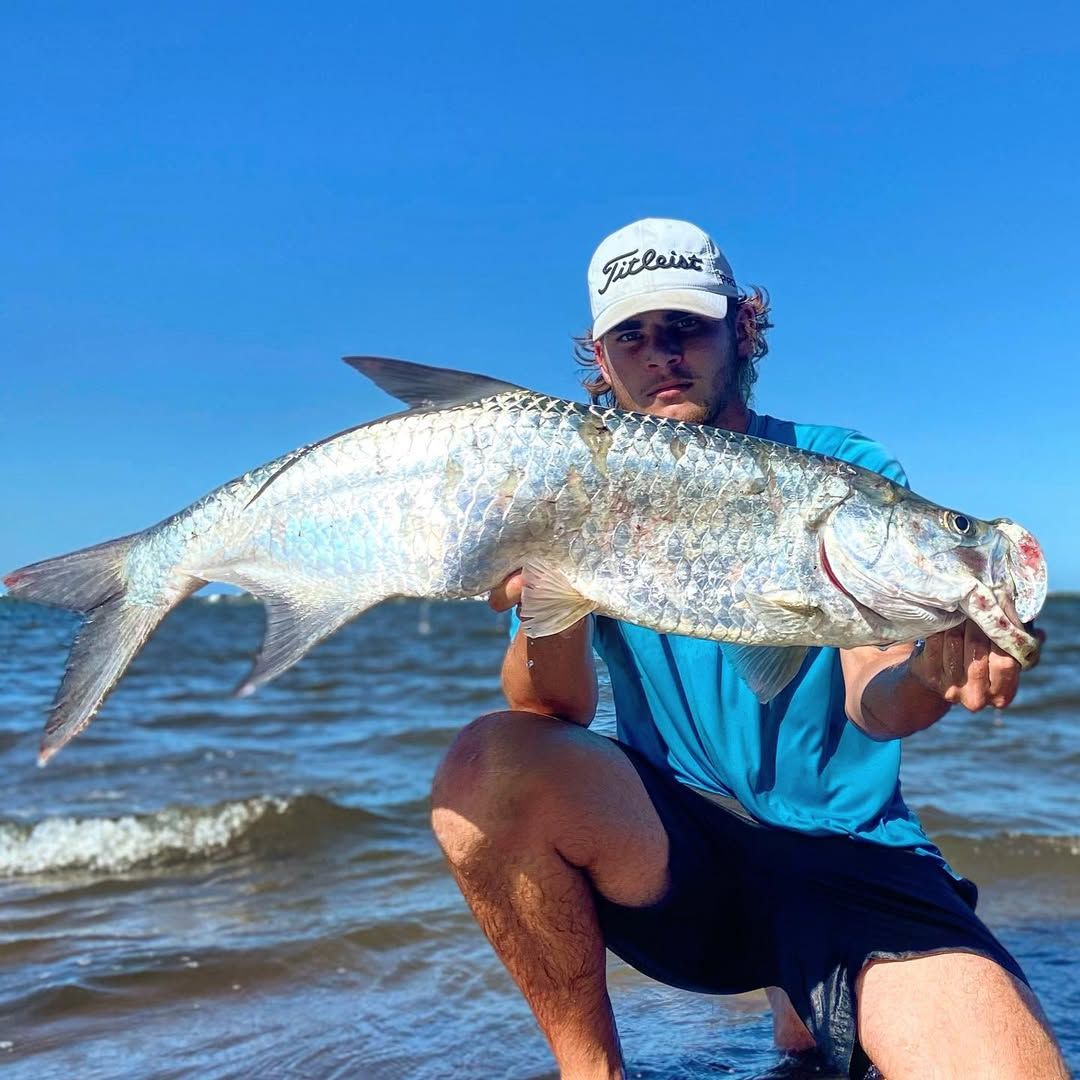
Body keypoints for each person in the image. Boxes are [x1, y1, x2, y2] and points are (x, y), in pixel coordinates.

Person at [429, 218, 1068, 1079]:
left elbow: (875, 701)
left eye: (686, 327)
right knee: (487, 761)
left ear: (739, 327)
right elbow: (550, 714)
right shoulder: (580, 484)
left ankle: (805, 995)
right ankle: (593, 1071)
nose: (664, 355)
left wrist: (929, 670)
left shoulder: (839, 469)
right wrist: (554, 591)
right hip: (678, 857)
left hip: (847, 850)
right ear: (603, 357)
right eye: (634, 336)